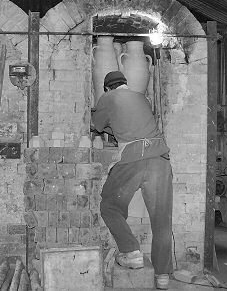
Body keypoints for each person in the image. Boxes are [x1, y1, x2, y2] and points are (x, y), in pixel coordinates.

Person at [92, 70, 173, 290]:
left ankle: (132, 251)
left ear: (107, 88)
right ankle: (163, 276)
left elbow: (96, 126)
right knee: (161, 220)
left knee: (109, 206)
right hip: (160, 158)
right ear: (125, 84)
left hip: (134, 158)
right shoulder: (141, 96)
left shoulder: (107, 98)